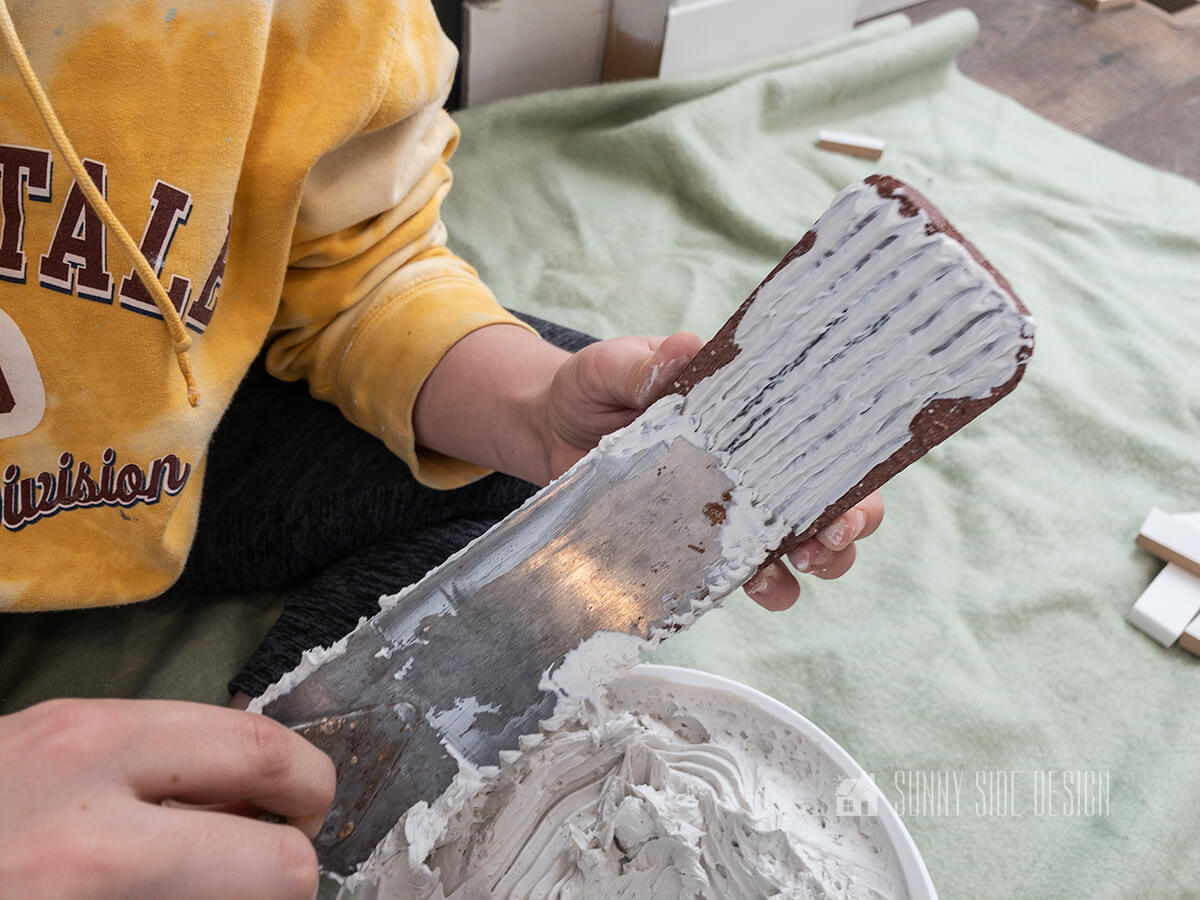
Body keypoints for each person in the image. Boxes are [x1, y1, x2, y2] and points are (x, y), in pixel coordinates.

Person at [0, 1, 883, 897]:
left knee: (567, 491)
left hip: (151, 444)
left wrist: (533, 411)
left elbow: (358, 270)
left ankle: (269, 776)